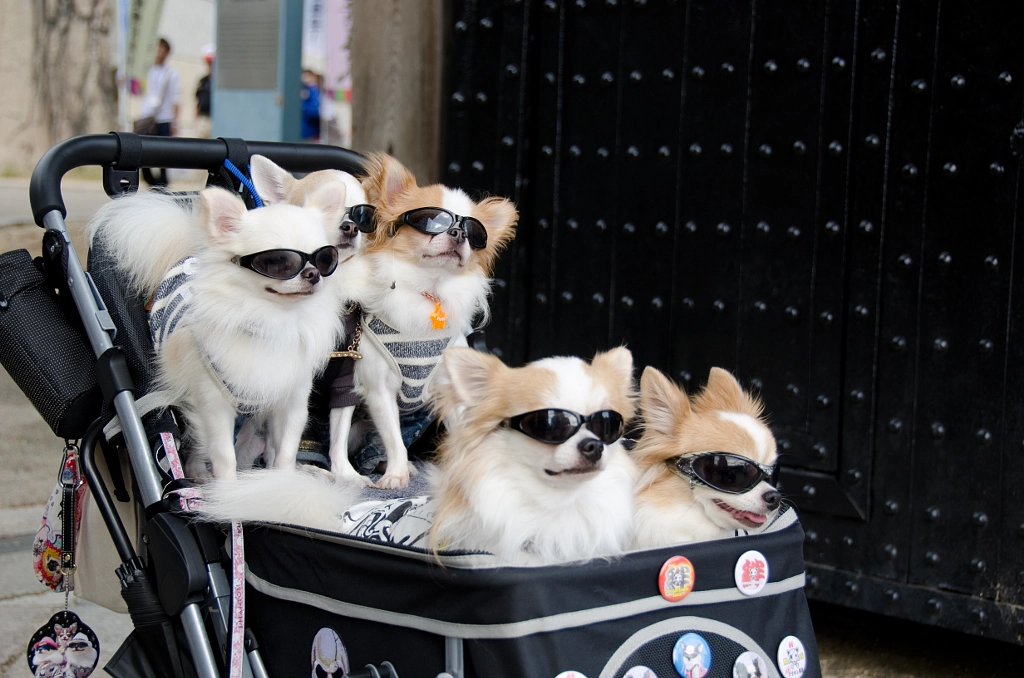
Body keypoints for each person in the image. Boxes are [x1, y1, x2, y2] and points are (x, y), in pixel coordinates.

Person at [140, 38, 181, 187]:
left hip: (164, 118)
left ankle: (162, 185)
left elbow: (176, 98)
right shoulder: (148, 71)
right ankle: (153, 183)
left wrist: (175, 121)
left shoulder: (171, 73)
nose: (158, 53)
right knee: (145, 155)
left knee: (163, 156)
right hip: (148, 118)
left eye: (161, 50)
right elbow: (139, 90)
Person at [194, 44, 214, 138]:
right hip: (204, 119)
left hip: (215, 119)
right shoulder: (203, 81)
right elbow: (198, 103)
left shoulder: (220, 83)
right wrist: (196, 122)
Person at [300, 69, 321, 141]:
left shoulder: (313, 90)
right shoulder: (306, 89)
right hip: (306, 129)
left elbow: (315, 110)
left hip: (311, 130)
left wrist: (300, 108)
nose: (304, 79)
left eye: (307, 77)